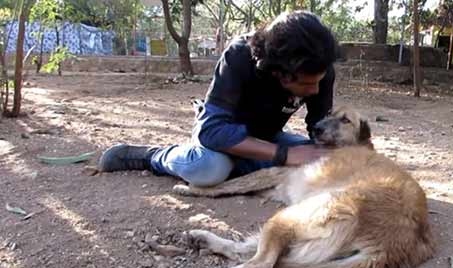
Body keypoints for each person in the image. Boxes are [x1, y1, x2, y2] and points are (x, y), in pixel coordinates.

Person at [98, 11, 339, 186]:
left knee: (329, 159)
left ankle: (242, 165)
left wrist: (327, 152)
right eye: (306, 84)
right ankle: (152, 157)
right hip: (222, 137)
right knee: (209, 169)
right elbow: (211, 132)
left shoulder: (320, 68)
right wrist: (284, 156)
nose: (315, 90)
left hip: (265, 138)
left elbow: (320, 133)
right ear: (278, 72)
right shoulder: (239, 56)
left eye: (318, 81)